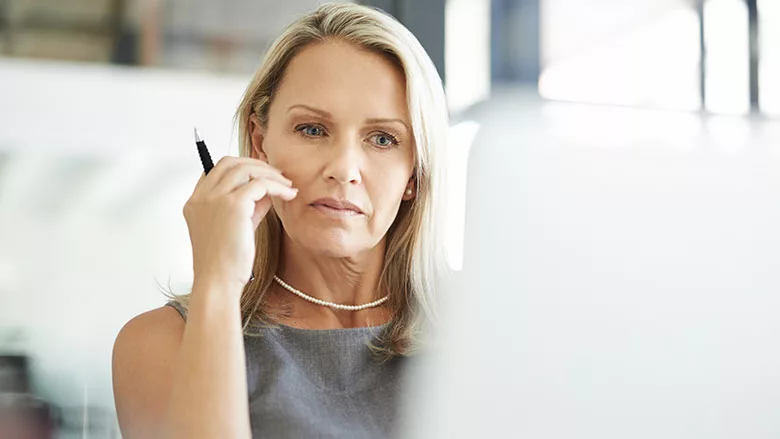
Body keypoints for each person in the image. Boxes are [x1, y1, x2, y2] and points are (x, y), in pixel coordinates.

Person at [111, 3, 449, 438]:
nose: (344, 168)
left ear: (415, 173)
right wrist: (218, 280)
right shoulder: (160, 344)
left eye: (383, 139)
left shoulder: (485, 328)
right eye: (312, 129)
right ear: (260, 144)